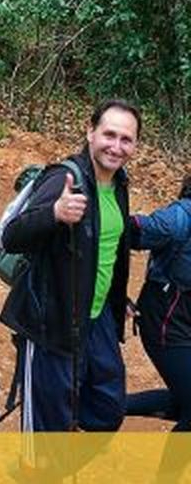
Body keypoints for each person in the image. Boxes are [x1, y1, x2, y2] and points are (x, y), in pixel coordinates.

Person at [0, 99, 141, 433]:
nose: (116, 147)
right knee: (47, 430)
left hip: (97, 317)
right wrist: (55, 214)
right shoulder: (64, 177)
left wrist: (119, 298)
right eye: (109, 134)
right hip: (53, 321)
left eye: (126, 139)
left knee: (107, 408)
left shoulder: (118, 184)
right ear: (90, 132)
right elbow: (12, 237)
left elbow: (108, 249)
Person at [126, 175, 191, 480]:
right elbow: (125, 231)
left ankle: (96, 406)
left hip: (185, 324)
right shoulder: (181, 217)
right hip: (166, 323)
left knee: (184, 402)